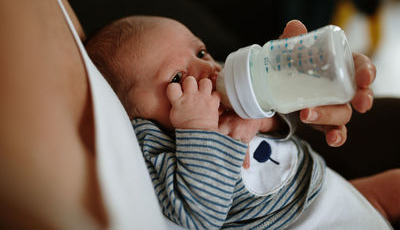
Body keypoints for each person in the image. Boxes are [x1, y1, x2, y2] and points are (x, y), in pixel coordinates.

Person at [85, 15, 399, 229]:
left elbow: (278, 124)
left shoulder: (221, 91)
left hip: (340, 193)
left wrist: (273, 112)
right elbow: (197, 216)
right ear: (132, 115)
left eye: (201, 51)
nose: (207, 68)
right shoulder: (152, 144)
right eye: (178, 77)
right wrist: (200, 131)